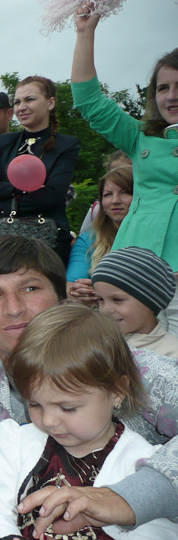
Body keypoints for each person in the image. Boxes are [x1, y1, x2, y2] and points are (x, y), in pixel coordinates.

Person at [0, 235, 178, 537]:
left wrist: (129, 498)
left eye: (30, 288)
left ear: (63, 301)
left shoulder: (122, 366)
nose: (14, 308)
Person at [0, 303, 178, 539]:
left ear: (117, 391)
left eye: (68, 408)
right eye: (34, 404)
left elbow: (160, 531)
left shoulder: (141, 464)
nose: (49, 420)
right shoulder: (19, 443)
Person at [72, 5, 178, 335]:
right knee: (129, 359)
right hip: (133, 275)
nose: (171, 96)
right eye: (163, 88)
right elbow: (90, 103)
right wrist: (85, 33)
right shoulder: (140, 136)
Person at [0, 76, 81, 264]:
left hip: (47, 242)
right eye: (17, 102)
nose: (21, 107)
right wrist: (21, 189)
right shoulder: (5, 142)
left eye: (29, 99)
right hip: (2, 241)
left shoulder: (67, 144)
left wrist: (2, 203)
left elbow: (53, 197)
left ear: (50, 103)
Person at [92, 247, 178, 359]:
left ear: (151, 301)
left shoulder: (172, 354)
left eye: (117, 300)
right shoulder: (94, 344)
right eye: (100, 299)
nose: (106, 309)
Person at [66, 166, 133, 304]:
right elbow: (71, 286)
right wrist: (80, 292)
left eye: (125, 192)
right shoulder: (88, 240)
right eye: (108, 194)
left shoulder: (160, 238)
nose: (115, 200)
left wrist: (104, 290)